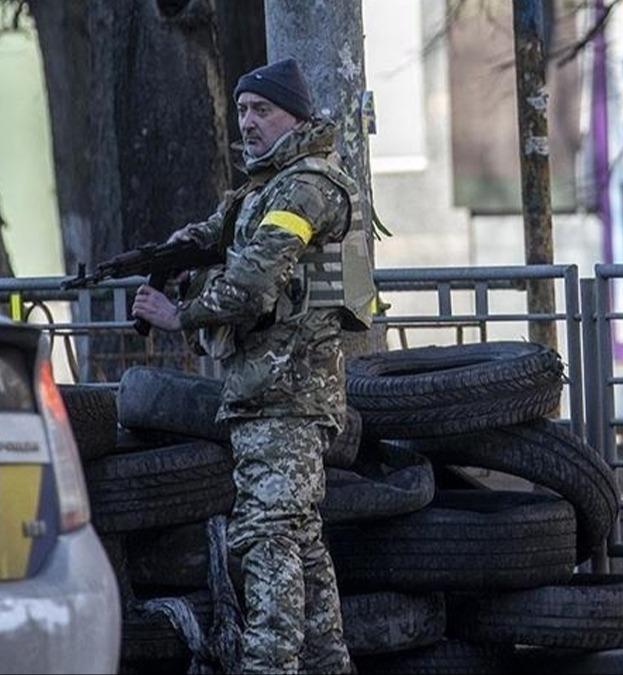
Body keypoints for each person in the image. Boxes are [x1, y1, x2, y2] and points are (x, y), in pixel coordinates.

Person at [131, 57, 375, 674]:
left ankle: (270, 665)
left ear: (295, 114)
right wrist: (170, 256)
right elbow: (213, 235)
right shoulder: (263, 188)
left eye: (261, 110)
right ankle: (327, 664)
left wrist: (177, 312)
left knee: (267, 540)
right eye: (241, 110)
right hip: (267, 390)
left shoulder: (306, 186)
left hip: (289, 392)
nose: (247, 122)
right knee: (299, 542)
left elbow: (251, 284)